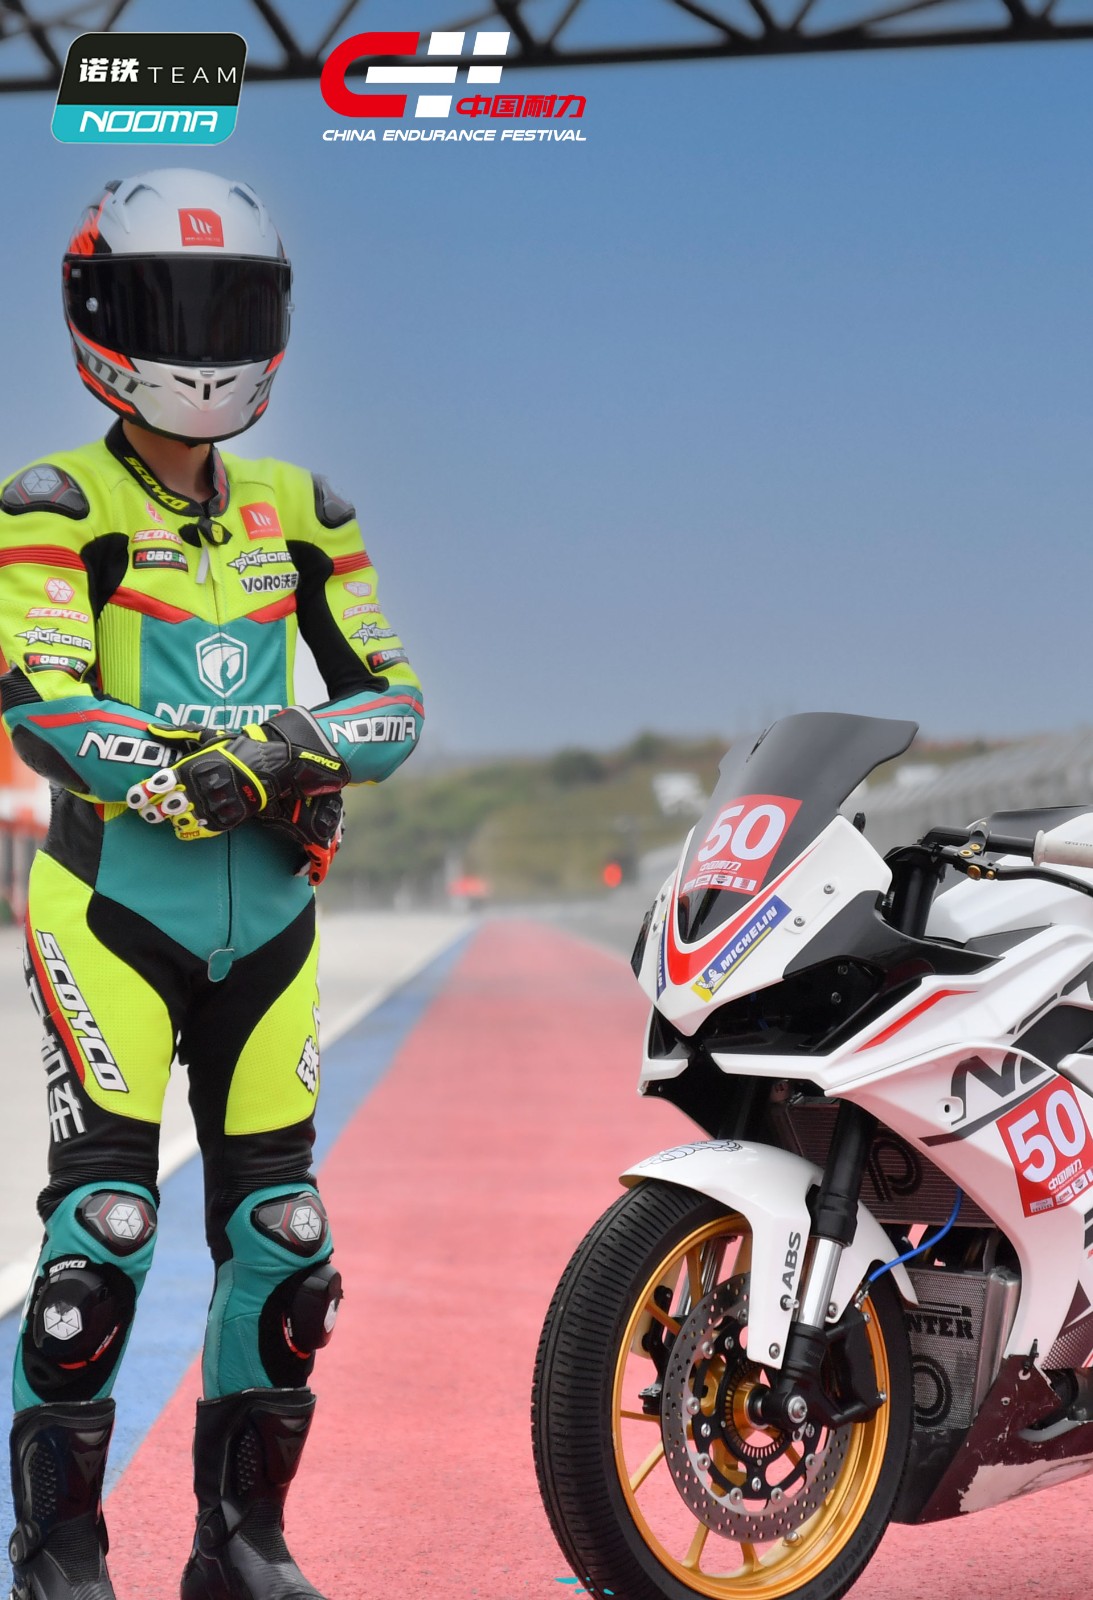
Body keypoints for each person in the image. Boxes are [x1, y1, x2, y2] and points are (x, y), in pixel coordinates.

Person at [0, 167, 424, 1600]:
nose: (202, 341)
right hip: (111, 914)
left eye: (229, 307)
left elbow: (394, 707)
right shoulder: (52, 503)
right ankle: (59, 1556)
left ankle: (239, 1547)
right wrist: (227, 767)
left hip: (274, 929)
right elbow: (49, 712)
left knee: (285, 1245)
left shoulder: (311, 510)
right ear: (101, 316)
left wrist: (287, 749)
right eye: (173, 307)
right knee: (102, 1242)